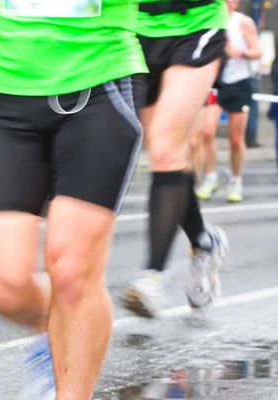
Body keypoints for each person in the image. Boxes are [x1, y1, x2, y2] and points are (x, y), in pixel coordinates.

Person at [0, 0, 147, 398]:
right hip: (4, 93)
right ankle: (57, 333)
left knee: (72, 272)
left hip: (99, 83)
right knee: (2, 286)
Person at [122, 0, 231, 319]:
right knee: (169, 151)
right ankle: (202, 240)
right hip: (134, 26)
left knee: (165, 148)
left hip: (195, 22)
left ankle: (151, 276)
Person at [195, 0, 261, 203]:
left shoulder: (243, 22)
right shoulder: (210, 20)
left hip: (239, 84)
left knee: (235, 139)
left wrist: (239, 53)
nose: (226, 3)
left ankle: (235, 180)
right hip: (216, 84)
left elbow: (257, 51)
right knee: (207, 132)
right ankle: (211, 176)